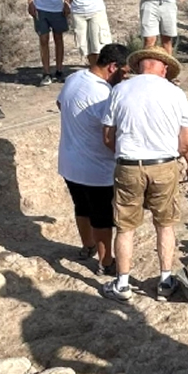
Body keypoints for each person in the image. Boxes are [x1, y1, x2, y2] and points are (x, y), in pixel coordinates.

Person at [101, 47, 188, 302]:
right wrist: (169, 154)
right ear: (163, 69)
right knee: (165, 224)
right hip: (164, 164)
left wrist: (124, 153)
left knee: (125, 227)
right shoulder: (175, 93)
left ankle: (122, 284)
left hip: (129, 164)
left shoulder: (119, 90)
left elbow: (108, 136)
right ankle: (165, 281)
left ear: (140, 65)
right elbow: (187, 141)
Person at [56, 43, 129, 276]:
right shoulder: (102, 94)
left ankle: (87, 246)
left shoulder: (76, 77)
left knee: (82, 207)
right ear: (112, 67)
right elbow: (112, 132)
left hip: (69, 161)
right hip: (96, 169)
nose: (125, 77)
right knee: (102, 217)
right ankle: (106, 262)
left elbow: (60, 103)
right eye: (124, 72)